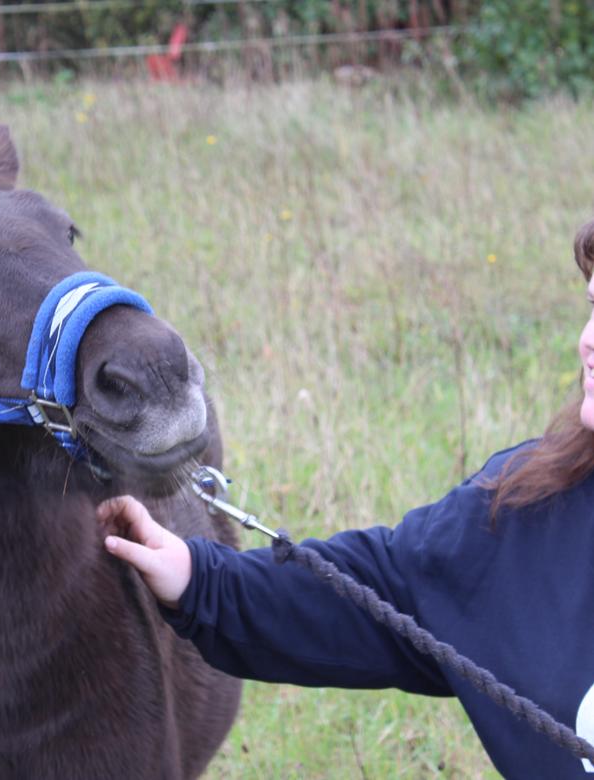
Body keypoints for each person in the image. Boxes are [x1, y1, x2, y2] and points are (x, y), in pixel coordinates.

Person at [98, 219, 594, 779]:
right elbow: (383, 592)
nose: (590, 338)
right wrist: (199, 578)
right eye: (592, 303)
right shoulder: (530, 508)